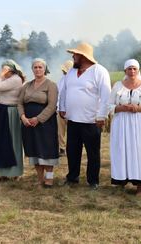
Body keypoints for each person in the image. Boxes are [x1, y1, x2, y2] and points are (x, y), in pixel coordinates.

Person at [59, 42, 111, 190]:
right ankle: (72, 177)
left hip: (91, 121)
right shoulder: (71, 72)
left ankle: (93, 180)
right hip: (73, 119)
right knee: (72, 151)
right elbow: (64, 90)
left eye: (75, 55)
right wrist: (62, 107)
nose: (73, 57)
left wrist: (102, 116)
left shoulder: (99, 71)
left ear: (83, 56)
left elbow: (106, 96)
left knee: (93, 153)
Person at [109, 59, 141, 196]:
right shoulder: (118, 86)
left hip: (140, 125)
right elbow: (109, 105)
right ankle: (121, 180)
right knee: (122, 151)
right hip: (121, 124)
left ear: (138, 70)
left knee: (140, 151)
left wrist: (139, 108)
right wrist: (121, 107)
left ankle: (140, 186)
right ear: (125, 70)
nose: (132, 71)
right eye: (129, 69)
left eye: (134, 69)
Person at [18, 58, 59, 187]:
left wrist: (38, 119)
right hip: (28, 123)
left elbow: (52, 105)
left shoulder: (51, 85)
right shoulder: (27, 86)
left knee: (46, 148)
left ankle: (49, 178)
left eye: (40, 67)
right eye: (35, 67)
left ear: (45, 69)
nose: (37, 69)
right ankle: (40, 178)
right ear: (32, 69)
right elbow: (19, 103)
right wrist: (23, 117)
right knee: (34, 148)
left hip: (45, 123)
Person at [0, 60, 24, 181]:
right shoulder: (5, 79)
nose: (3, 70)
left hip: (10, 111)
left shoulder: (15, 79)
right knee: (1, 142)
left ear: (11, 69)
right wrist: (2, 76)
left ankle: (15, 172)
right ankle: (3, 173)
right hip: (0, 110)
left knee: (12, 141)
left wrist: (0, 75)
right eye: (2, 68)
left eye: (5, 68)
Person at [57, 60, 73, 157]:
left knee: (72, 131)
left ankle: (71, 148)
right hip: (60, 109)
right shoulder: (61, 80)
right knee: (60, 131)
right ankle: (62, 148)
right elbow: (59, 94)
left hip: (71, 109)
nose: (63, 71)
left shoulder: (74, 79)